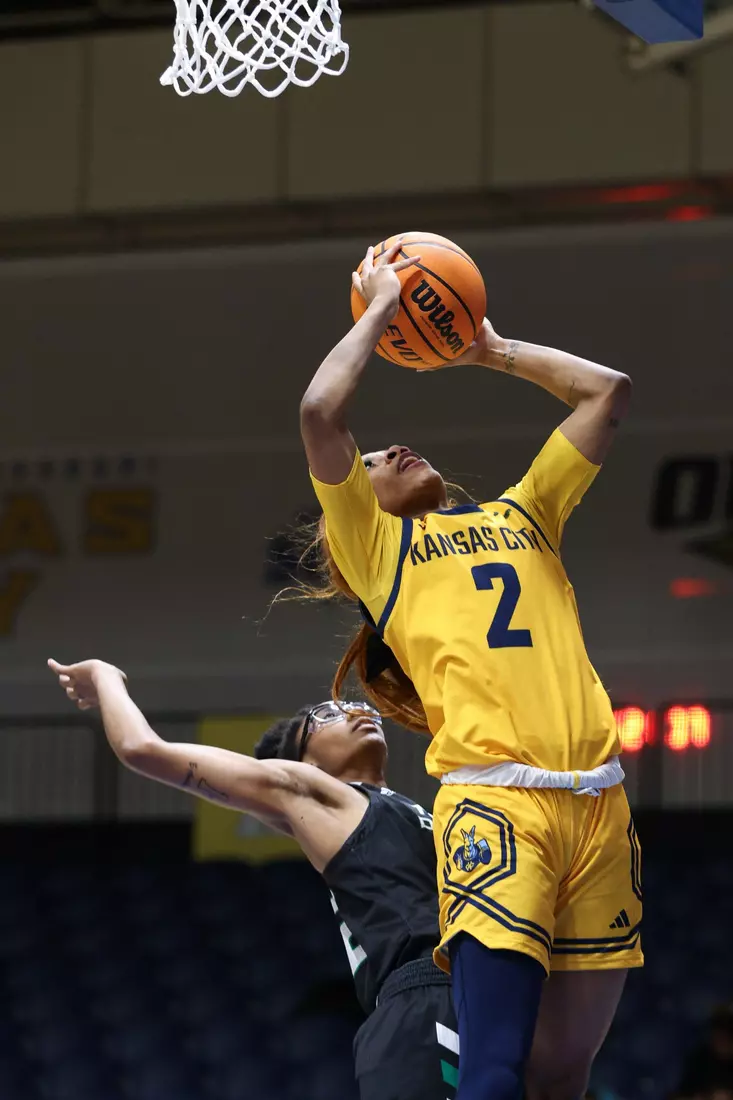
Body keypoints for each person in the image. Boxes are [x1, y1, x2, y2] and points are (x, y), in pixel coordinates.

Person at [298, 239, 643, 1100]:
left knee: (563, 1075)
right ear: (353, 509)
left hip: (598, 804)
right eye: (372, 461)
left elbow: (607, 391)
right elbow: (319, 412)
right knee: (491, 1071)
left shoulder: (525, 514)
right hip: (496, 805)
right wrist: (383, 308)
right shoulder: (379, 554)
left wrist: (489, 350)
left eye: (387, 447)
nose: (391, 449)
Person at [47, 657, 459, 1100]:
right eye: (326, 715)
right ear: (307, 762)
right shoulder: (310, 792)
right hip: (423, 998)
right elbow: (141, 748)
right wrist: (106, 678)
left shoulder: (414, 810)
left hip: (474, 984)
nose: (355, 711)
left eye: (353, 705)